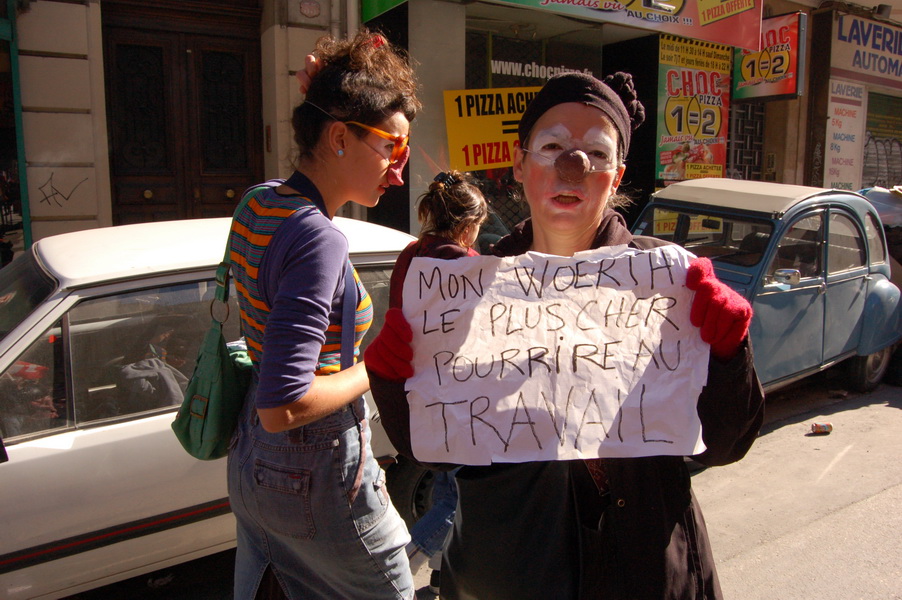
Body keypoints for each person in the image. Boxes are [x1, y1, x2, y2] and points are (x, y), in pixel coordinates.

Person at [364, 71, 765, 600]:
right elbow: (435, 450)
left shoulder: (670, 284)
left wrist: (728, 351)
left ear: (617, 176)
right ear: (520, 162)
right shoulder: (469, 291)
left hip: (647, 573)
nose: (572, 166)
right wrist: (393, 378)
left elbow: (725, 445)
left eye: (596, 155)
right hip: (515, 572)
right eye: (552, 146)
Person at [226, 29, 421, 599]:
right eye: (392, 147)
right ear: (338, 136)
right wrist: (377, 364)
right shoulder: (319, 239)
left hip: (251, 468)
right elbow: (283, 407)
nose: (398, 171)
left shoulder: (258, 200)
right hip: (310, 474)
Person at [389, 170, 488, 594]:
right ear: (467, 225)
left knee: (452, 490)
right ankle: (398, 572)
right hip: (458, 396)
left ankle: (439, 578)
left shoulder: (412, 253)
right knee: (454, 497)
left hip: (417, 388)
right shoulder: (463, 264)